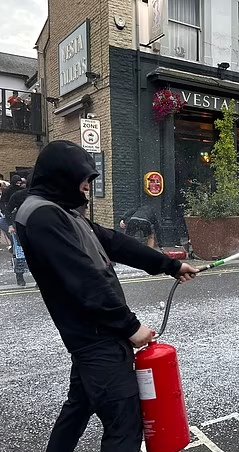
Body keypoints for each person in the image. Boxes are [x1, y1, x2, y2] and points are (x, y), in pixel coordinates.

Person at [15, 140, 198, 452]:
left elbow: (114, 242)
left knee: (77, 409)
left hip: (92, 336)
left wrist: (170, 265)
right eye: (85, 179)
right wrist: (130, 327)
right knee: (124, 425)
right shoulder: (43, 217)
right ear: (64, 176)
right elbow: (84, 281)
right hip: (97, 339)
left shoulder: (60, 212)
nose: (88, 187)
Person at [6, 173, 32, 286]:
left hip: (34, 228)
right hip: (20, 226)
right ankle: (20, 277)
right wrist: (10, 225)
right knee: (21, 253)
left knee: (35, 254)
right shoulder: (18, 195)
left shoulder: (44, 196)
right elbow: (7, 210)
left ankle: (36, 279)